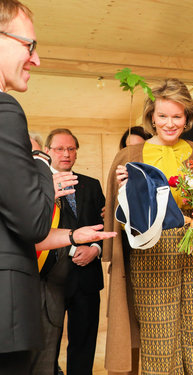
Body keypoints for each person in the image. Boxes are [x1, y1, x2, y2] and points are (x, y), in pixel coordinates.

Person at [103, 78, 193, 375]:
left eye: (177, 116)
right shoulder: (128, 157)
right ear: (151, 117)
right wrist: (125, 192)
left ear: (187, 118)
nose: (170, 123)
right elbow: (119, 217)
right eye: (163, 116)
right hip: (152, 254)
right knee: (159, 338)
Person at [0, 1, 56, 374]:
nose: (35, 60)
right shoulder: (5, 110)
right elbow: (34, 222)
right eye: (29, 46)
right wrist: (41, 163)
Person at [45, 128, 106, 375]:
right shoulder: (38, 185)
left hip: (87, 278)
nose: (66, 154)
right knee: (48, 345)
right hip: (50, 279)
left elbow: (105, 225)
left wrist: (95, 248)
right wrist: (72, 248)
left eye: (71, 148)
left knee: (84, 343)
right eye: (59, 148)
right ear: (48, 151)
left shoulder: (91, 185)